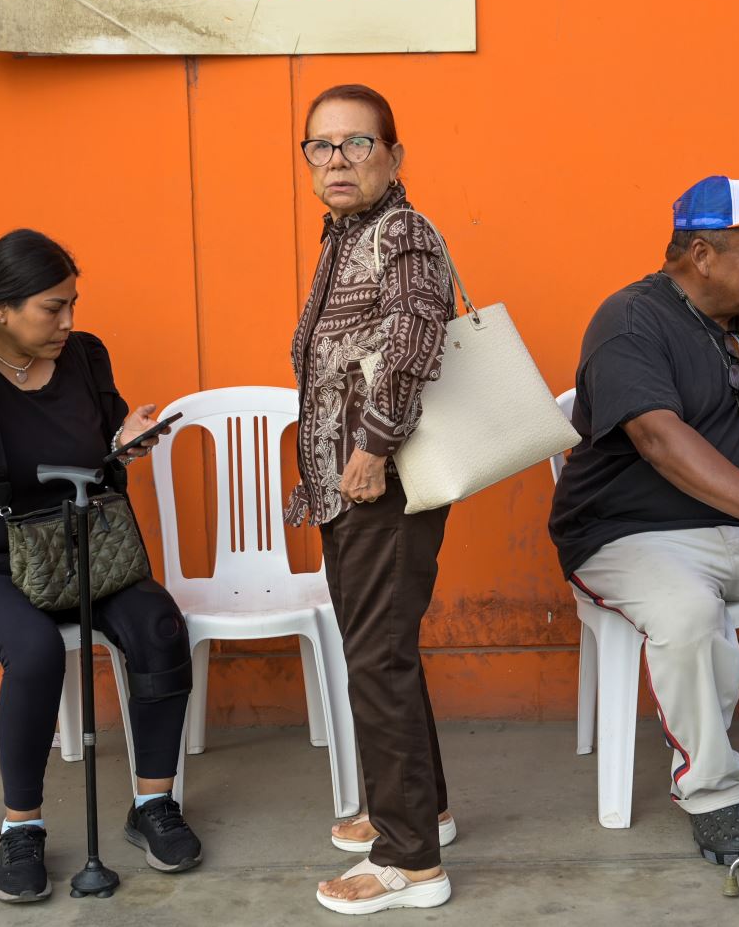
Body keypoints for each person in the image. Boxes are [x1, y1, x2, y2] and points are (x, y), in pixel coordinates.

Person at [547, 174, 739, 865]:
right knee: (687, 614)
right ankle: (712, 795)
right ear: (701, 255)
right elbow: (657, 438)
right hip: (630, 532)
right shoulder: (629, 319)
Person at [0, 229, 200, 902]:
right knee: (34, 648)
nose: (68, 322)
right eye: (50, 308)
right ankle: (22, 828)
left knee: (157, 623)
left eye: (71, 304)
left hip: (78, 551)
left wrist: (126, 444)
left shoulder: (86, 358)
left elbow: (100, 453)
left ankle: (153, 804)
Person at [286, 84, 458, 914]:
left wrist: (371, 449)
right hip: (344, 485)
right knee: (382, 650)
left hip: (380, 481)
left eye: (356, 144)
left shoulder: (404, 235)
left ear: (394, 155)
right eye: (320, 146)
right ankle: (427, 809)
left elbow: (416, 343)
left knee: (377, 661)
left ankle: (410, 863)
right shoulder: (344, 235)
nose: (337, 161)